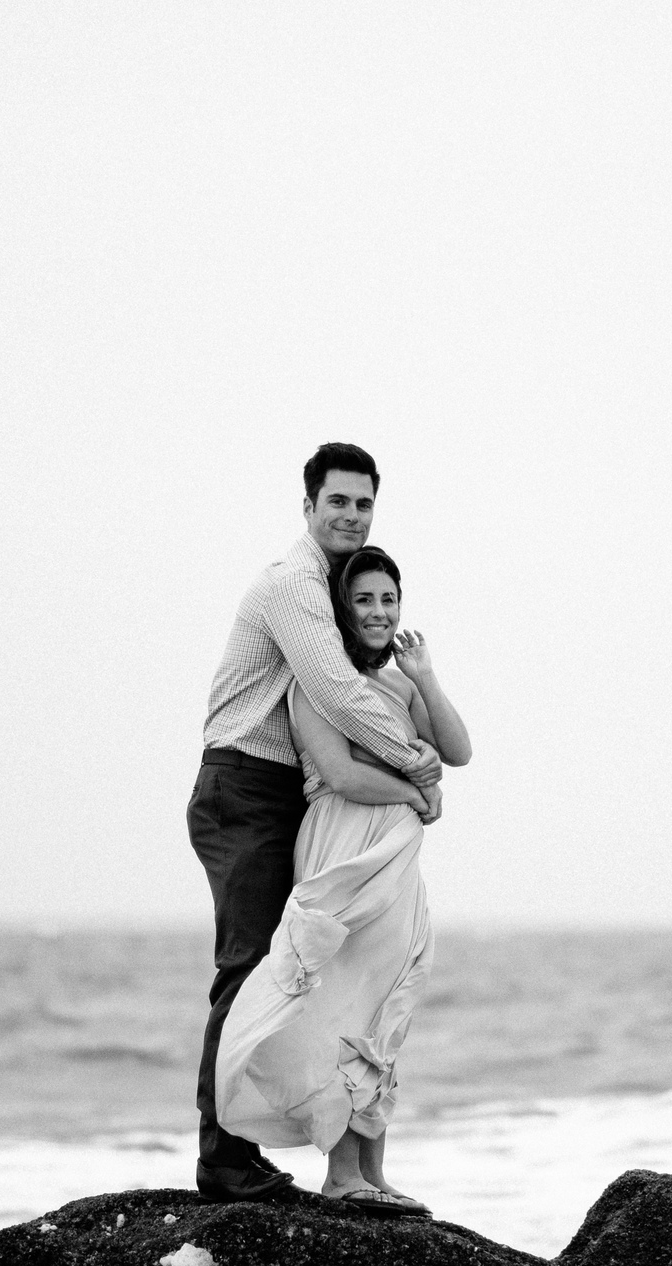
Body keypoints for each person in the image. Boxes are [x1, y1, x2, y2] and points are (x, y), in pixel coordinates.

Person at [186, 443, 443, 1203]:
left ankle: (255, 1147)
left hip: (282, 793)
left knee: (293, 967)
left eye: (364, 504)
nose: (352, 516)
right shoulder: (295, 586)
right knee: (250, 970)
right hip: (244, 785)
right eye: (338, 502)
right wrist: (418, 768)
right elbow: (335, 691)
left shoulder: (333, 591)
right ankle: (222, 1161)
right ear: (308, 507)